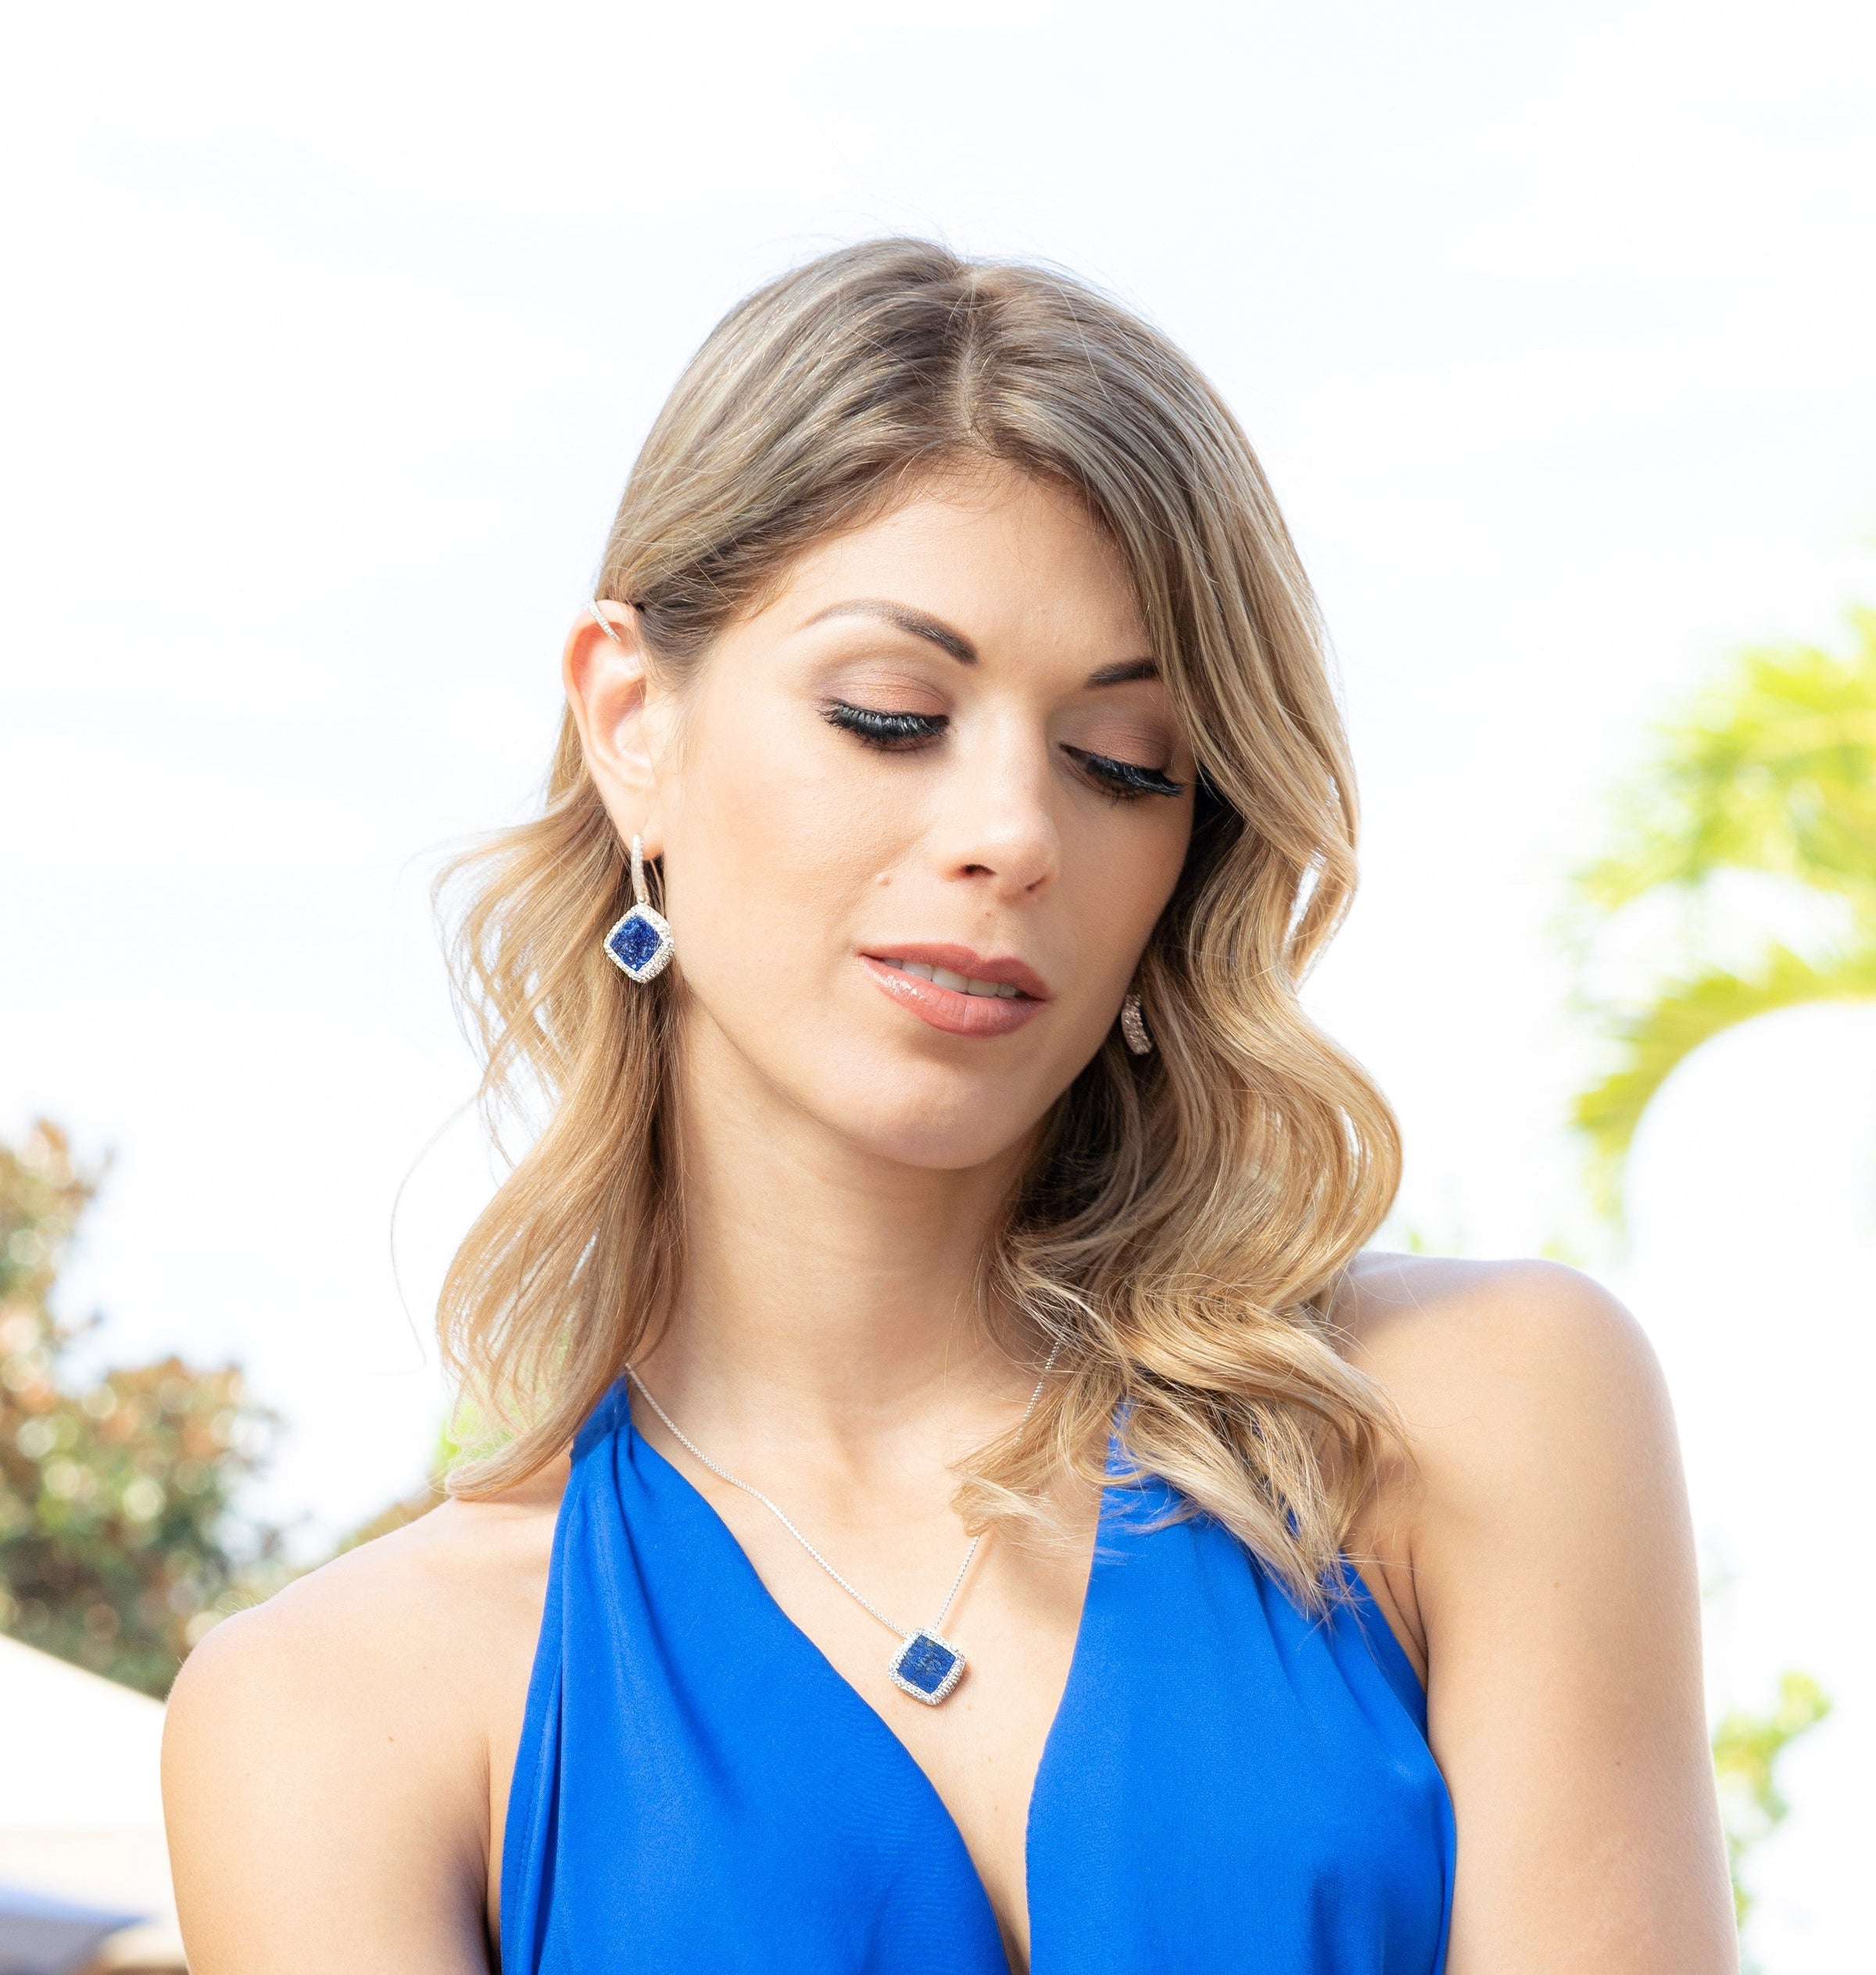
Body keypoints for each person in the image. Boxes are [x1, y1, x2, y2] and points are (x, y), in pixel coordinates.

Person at [159, 238, 1737, 1974]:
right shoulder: (334, 1717)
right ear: (631, 723)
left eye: (1126, 761)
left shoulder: (1477, 1419)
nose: (1015, 834)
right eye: (891, 716)